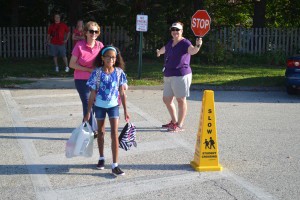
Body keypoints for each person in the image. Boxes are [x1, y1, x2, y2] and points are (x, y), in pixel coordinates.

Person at [84, 45, 129, 176]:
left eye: (113, 57)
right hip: (99, 107)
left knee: (115, 133)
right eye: (108, 56)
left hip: (114, 106)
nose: (111, 59)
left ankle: (115, 165)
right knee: (101, 132)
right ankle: (101, 157)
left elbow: (122, 92)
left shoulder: (119, 73)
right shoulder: (96, 73)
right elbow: (92, 93)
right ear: (102, 58)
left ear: (116, 59)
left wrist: (126, 110)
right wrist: (87, 112)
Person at [156, 21, 202, 132]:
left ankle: (179, 125)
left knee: (181, 100)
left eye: (177, 30)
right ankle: (174, 121)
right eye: (173, 29)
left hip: (181, 75)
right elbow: (165, 49)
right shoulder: (171, 42)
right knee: (166, 99)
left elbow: (193, 51)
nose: (175, 31)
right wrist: (159, 52)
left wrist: (198, 45)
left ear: (181, 31)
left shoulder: (185, 43)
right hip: (168, 74)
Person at [69, 21, 104, 136]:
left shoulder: (100, 45)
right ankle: (89, 130)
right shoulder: (79, 45)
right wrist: (88, 70)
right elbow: (72, 64)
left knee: (94, 104)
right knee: (87, 102)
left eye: (96, 31)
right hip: (81, 79)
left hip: (96, 79)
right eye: (91, 31)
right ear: (86, 32)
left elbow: (105, 61)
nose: (93, 33)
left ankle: (85, 125)